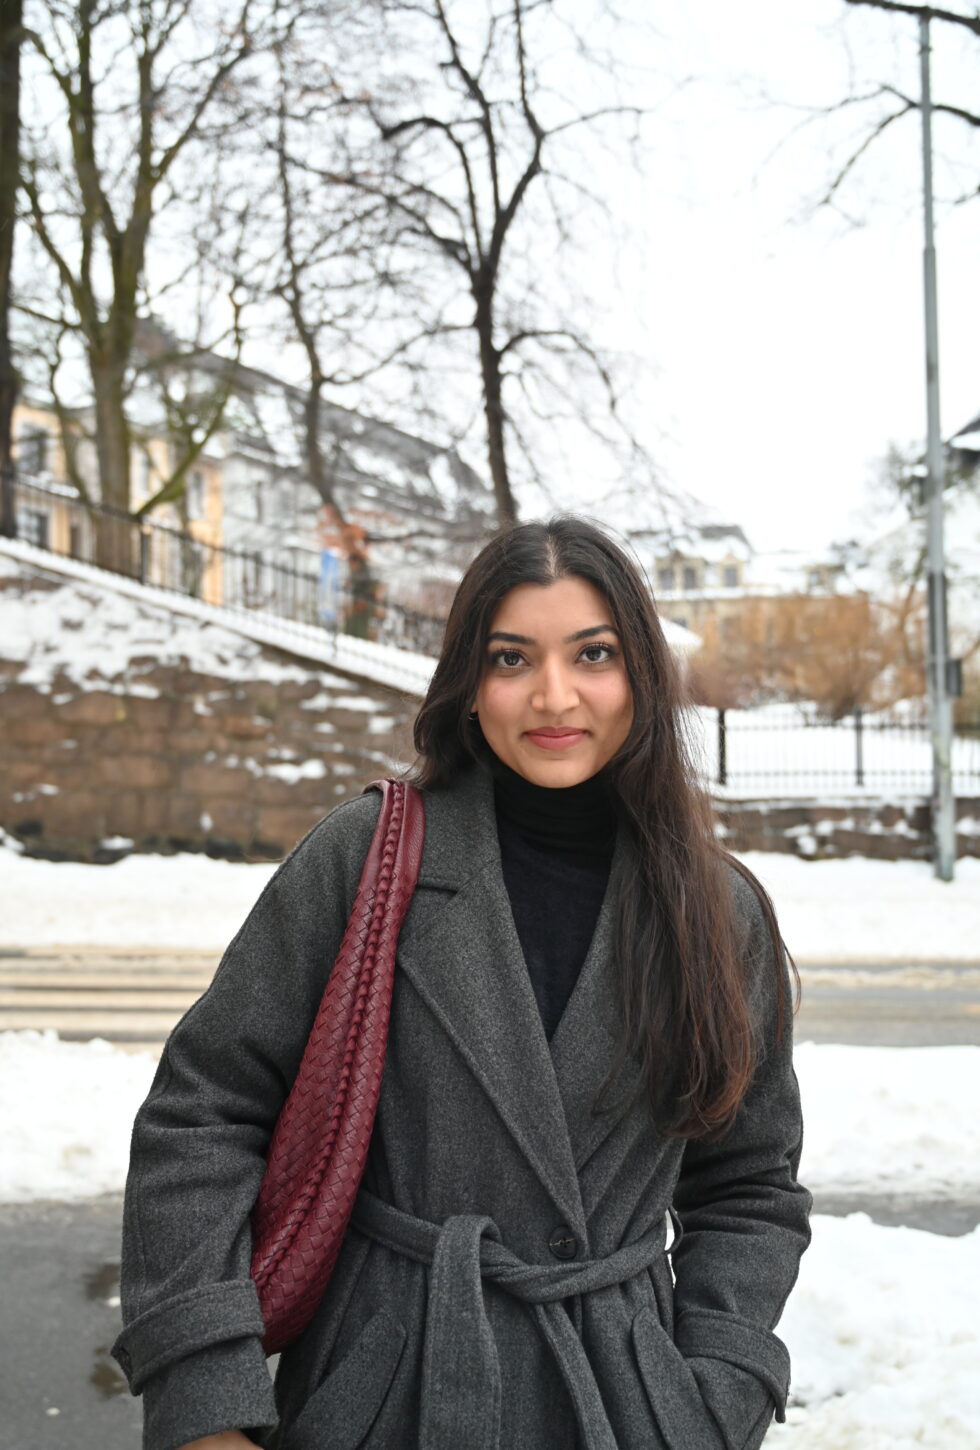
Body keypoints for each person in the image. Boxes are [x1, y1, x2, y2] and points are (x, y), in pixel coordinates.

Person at [113, 516, 811, 1450]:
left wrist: (716, 1392)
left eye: (593, 654)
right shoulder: (365, 858)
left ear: (640, 674)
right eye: (512, 658)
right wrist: (207, 1399)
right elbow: (202, 1116)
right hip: (386, 1389)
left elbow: (750, 1185)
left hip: (626, 1406)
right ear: (469, 685)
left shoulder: (717, 911)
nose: (554, 696)